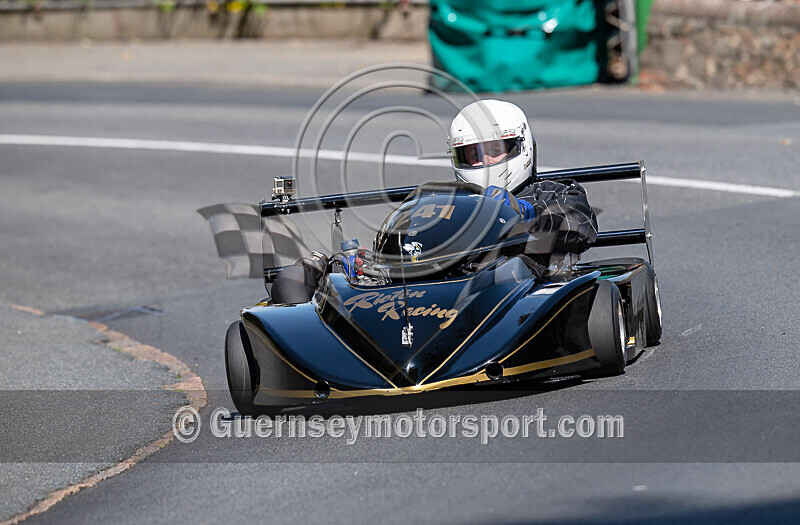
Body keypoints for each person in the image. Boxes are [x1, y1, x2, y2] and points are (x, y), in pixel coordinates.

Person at [448, 99, 598, 256]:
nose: (486, 161)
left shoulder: (550, 193)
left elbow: (581, 225)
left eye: (494, 151)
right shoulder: (456, 199)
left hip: (521, 276)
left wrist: (525, 213)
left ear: (521, 146)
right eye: (474, 155)